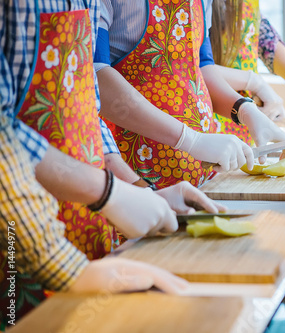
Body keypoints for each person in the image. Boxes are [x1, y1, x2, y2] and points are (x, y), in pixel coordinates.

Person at [0, 0, 223, 326]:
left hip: (87, 225)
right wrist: (106, 195)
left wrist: (135, 189)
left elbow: (86, 108)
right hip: (21, 233)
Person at [95, 0, 285, 190]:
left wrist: (243, 109)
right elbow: (97, 76)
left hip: (203, 176)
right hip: (136, 175)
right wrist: (190, 140)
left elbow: (201, 66)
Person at [210, 0, 285, 138]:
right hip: (210, 133)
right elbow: (191, 68)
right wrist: (253, 82)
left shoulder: (246, 4)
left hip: (244, 133)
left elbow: (266, 41)